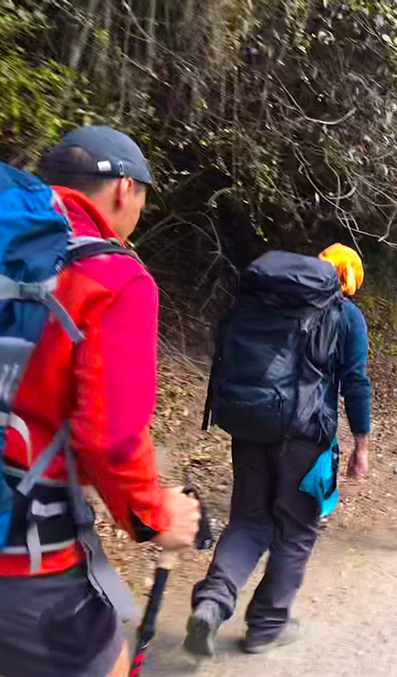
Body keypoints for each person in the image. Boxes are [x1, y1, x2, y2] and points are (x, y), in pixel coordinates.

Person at [0, 126, 201, 677]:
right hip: (24, 556)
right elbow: (109, 437)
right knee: (109, 661)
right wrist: (155, 518)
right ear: (123, 192)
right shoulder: (113, 278)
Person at [185, 244, 371, 656]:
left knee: (249, 520)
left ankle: (212, 602)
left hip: (250, 423)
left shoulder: (264, 301)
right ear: (349, 281)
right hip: (305, 435)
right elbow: (355, 381)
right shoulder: (345, 315)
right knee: (296, 530)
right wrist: (362, 441)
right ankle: (267, 625)